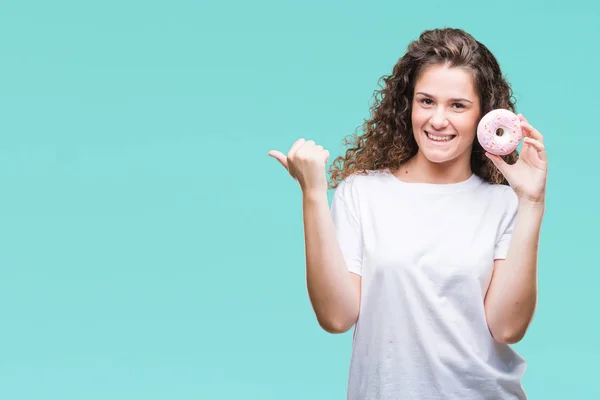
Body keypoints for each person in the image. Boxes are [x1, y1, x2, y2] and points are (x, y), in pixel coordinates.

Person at [268, 27, 547, 399]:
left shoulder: (502, 204)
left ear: (484, 115)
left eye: (458, 105)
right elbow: (336, 317)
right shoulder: (362, 193)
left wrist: (531, 203)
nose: (437, 120)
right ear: (408, 104)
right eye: (426, 101)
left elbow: (507, 327)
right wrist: (313, 194)